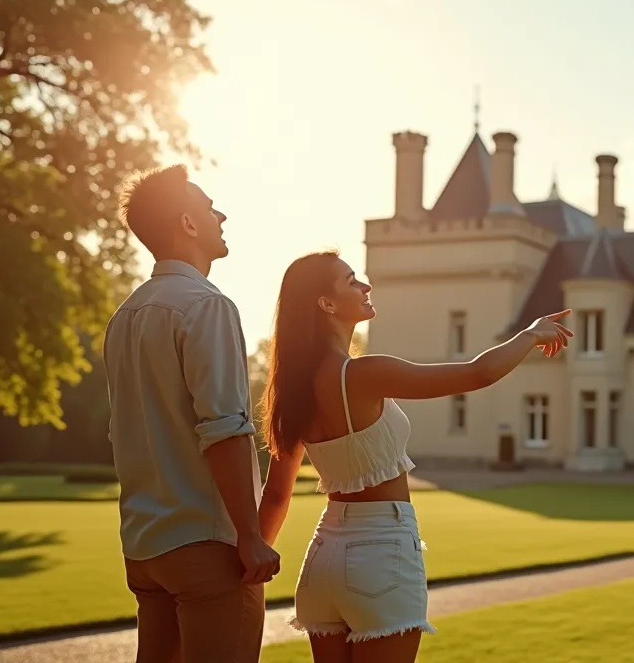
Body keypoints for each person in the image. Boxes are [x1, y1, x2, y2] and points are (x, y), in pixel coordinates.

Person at [256, 250, 572, 663]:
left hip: (321, 559)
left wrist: (251, 560)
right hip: (380, 555)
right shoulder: (363, 374)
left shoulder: (292, 390)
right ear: (326, 304)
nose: (365, 285)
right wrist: (529, 334)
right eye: (351, 281)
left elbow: (276, 496)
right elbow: (477, 373)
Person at [104, 164, 280, 663]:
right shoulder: (207, 305)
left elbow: (125, 434)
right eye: (209, 208)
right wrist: (250, 536)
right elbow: (224, 429)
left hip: (145, 548)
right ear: (187, 223)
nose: (220, 216)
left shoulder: (124, 317)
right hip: (206, 545)